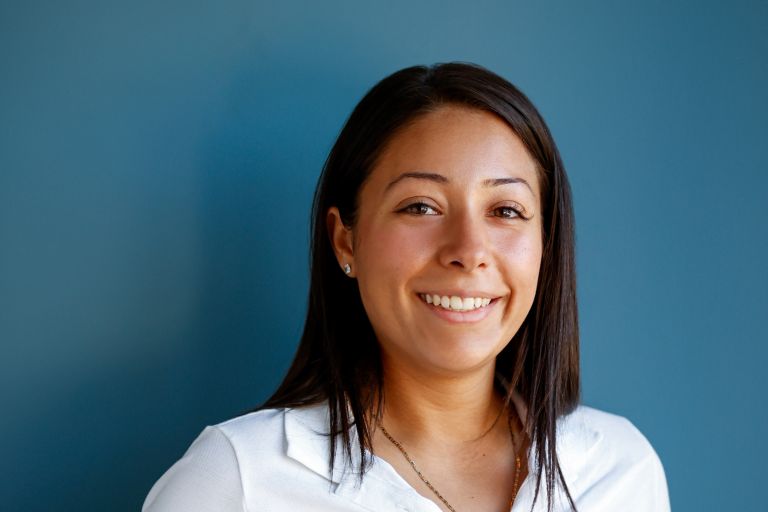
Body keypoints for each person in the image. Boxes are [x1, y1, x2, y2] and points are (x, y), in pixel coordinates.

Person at [142, 62, 670, 512]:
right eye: (421, 207)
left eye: (505, 211)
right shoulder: (237, 481)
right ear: (346, 241)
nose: (468, 249)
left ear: (545, 247)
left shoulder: (620, 471)